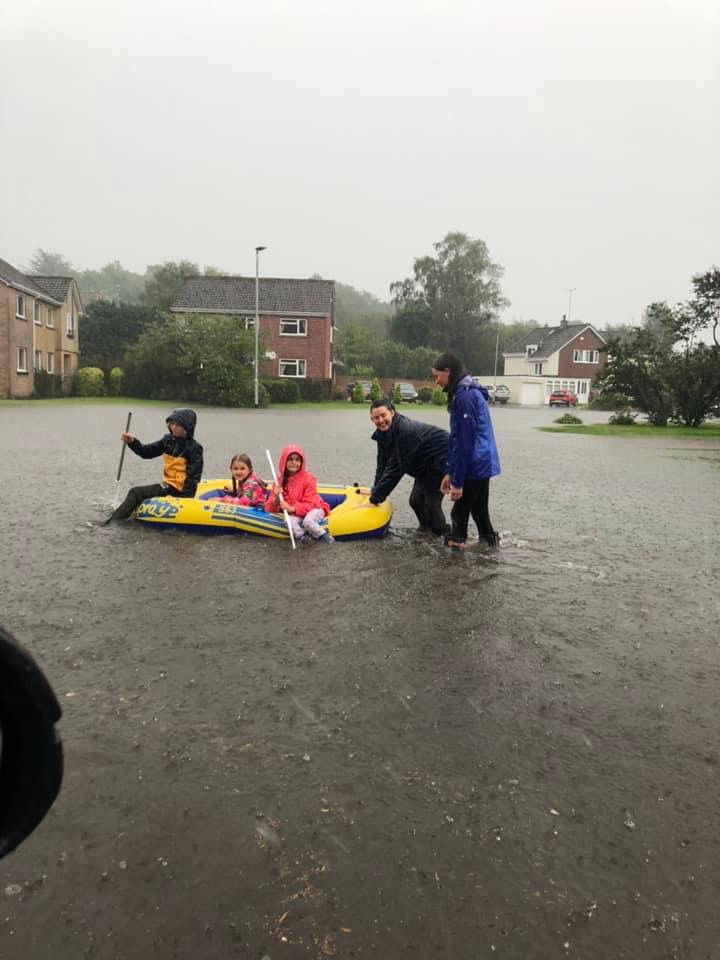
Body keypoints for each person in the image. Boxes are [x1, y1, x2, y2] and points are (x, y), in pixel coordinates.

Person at [431, 352, 500, 550]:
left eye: (437, 376)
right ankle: (490, 551)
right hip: (481, 462)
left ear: (448, 372)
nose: (436, 381)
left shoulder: (465, 397)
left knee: (458, 514)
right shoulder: (465, 392)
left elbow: (464, 442)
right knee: (479, 510)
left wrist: (458, 482)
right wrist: (449, 471)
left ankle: (454, 565)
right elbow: (457, 439)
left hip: (474, 464)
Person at [367, 398, 449, 536]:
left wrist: (375, 499)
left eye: (383, 415)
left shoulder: (405, 431)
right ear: (372, 419)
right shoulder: (382, 433)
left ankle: (442, 535)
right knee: (415, 501)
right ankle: (426, 530)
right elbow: (382, 464)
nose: (380, 420)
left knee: (431, 502)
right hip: (423, 463)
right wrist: (375, 489)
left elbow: (396, 470)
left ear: (392, 413)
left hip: (441, 458)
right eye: (376, 418)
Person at [105, 408, 203, 522]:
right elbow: (146, 452)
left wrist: (183, 503)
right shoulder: (167, 440)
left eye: (178, 425)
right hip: (168, 485)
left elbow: (193, 477)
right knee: (139, 492)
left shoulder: (194, 448)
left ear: (187, 427)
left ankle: (113, 522)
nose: (174, 427)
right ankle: (119, 516)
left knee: (136, 492)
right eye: (172, 424)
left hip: (179, 489)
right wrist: (132, 442)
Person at [264, 444, 333, 543]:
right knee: (288, 520)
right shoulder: (279, 482)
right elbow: (269, 508)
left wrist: (291, 508)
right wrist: (276, 498)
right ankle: (302, 537)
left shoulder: (309, 479)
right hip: (296, 513)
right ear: (284, 461)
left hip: (315, 508)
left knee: (308, 521)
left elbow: (310, 504)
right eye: (290, 459)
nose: (293, 462)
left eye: (297, 460)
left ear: (301, 462)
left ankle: (325, 537)